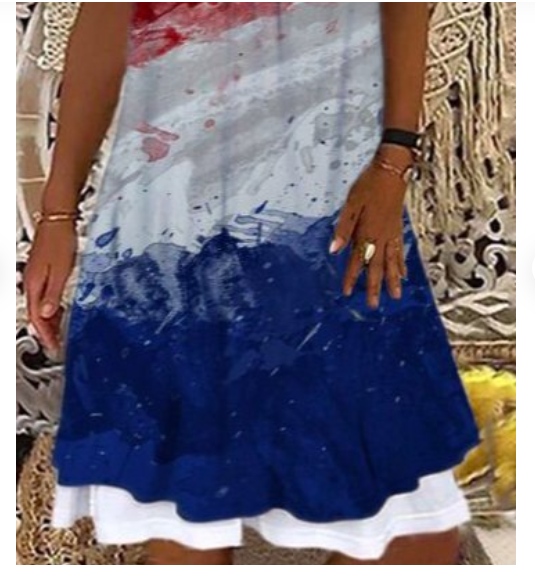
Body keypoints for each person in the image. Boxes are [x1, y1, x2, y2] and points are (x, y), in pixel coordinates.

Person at [24, 3, 481, 564]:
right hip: (173, 206)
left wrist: (393, 161)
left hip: (330, 194)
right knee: (189, 516)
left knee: (412, 530)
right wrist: (57, 214)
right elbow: (107, 17)